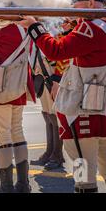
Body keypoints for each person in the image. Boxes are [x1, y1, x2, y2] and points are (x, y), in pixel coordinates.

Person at [21, 0, 106, 193]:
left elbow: (55, 51)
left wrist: (34, 27)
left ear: (90, 3)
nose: (71, 7)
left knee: (82, 168)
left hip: (84, 111)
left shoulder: (90, 28)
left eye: (75, 3)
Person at [0, 21, 36, 193]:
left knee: (2, 136)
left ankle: (6, 187)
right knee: (17, 132)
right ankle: (23, 184)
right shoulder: (23, 27)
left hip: (1, 87)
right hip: (19, 87)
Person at [31, 21, 71, 170]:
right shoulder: (45, 22)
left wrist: (57, 80)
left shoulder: (63, 23)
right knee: (47, 114)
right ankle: (49, 152)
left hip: (53, 74)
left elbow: (64, 54)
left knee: (55, 117)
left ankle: (57, 154)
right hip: (43, 72)